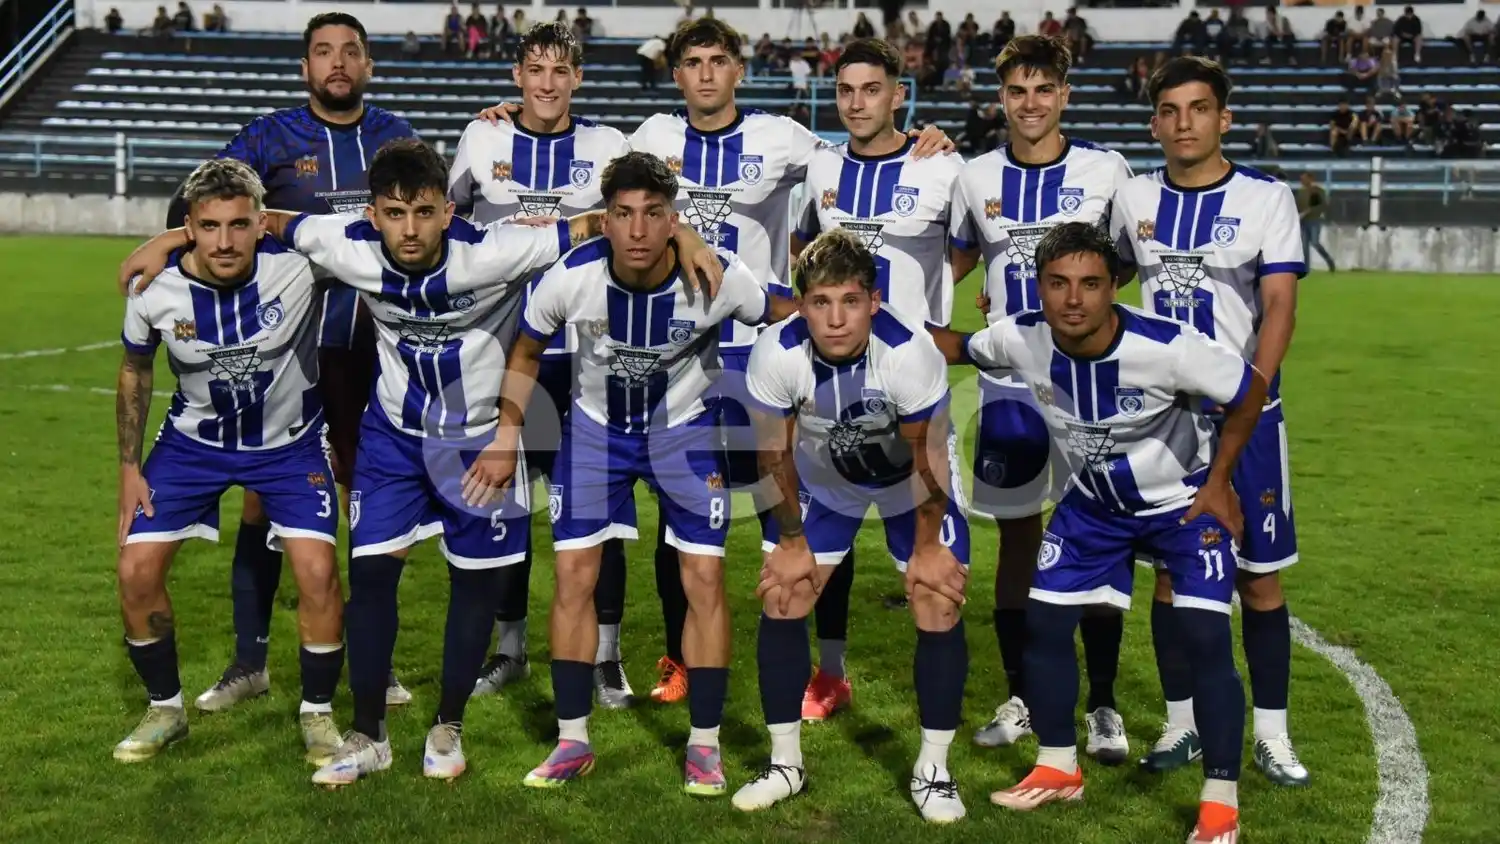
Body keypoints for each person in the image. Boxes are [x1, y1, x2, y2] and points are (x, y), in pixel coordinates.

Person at [123, 140, 722, 787]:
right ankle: (369, 734)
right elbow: (265, 220)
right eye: (395, 212)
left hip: (482, 439)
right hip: (393, 440)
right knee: (371, 578)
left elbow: (605, 225)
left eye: (425, 212)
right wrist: (167, 243)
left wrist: (684, 234)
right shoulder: (345, 243)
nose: (410, 230)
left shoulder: (495, 249)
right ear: (373, 214)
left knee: (474, 584)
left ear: (447, 210)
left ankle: (447, 725)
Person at [473, 18, 953, 707]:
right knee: (682, 525)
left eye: (718, 61)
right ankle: (680, 660)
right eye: (692, 62)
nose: (705, 73)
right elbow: (630, 195)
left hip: (765, 355)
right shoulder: (650, 137)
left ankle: (828, 663)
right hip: (676, 364)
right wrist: (508, 118)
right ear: (677, 74)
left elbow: (859, 148)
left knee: (796, 506)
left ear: (738, 70)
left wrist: (921, 139)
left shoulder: (784, 138)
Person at [465, 151, 797, 793]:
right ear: (605, 220)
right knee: (573, 575)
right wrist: (509, 432)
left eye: (653, 214)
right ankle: (572, 740)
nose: (638, 230)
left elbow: (783, 316)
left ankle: (705, 745)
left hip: (686, 431)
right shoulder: (572, 277)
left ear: (674, 219)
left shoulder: (718, 277)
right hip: (595, 431)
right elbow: (527, 348)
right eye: (623, 214)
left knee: (703, 576)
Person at [931, 221, 1270, 844]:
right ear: (1038, 287)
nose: (1073, 299)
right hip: (1092, 509)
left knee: (1206, 642)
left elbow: (1252, 391)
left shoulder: (1168, 347)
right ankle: (1059, 766)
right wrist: (869, 319)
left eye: (1090, 284)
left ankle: (1221, 801)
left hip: (1182, 507)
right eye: (1057, 283)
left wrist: (1221, 481)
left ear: (1114, 286)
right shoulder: (1022, 336)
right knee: (1045, 625)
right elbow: (957, 346)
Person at [162, 11, 419, 715]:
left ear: (367, 65)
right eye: (323, 52)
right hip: (287, 351)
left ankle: (377, 659)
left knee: (372, 502)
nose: (337, 63)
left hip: (378, 347)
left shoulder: (397, 135)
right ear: (305, 67)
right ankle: (251, 662)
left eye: (350, 52)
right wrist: (166, 248)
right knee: (262, 498)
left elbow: (433, 215)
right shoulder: (268, 138)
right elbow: (192, 203)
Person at [1111, 56, 1310, 790]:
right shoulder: (1133, 196)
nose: (1183, 122)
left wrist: (1251, 395)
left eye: (1198, 108)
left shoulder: (1266, 197)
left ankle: (1273, 735)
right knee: (1171, 578)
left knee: (1259, 581)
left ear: (1222, 118)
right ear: (1155, 121)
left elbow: (1281, 305)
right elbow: (1111, 275)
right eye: (1168, 110)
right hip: (1166, 422)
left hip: (1248, 417)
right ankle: (1181, 722)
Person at [112, 159, 345, 767]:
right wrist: (129, 469)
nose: (224, 241)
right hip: (194, 446)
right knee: (136, 570)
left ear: (260, 224)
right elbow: (135, 370)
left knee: (318, 570)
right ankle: (166, 708)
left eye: (239, 225)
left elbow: (363, 232)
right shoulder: (154, 291)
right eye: (208, 226)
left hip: (289, 445)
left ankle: (318, 715)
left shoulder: (298, 268)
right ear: (190, 226)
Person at [732, 228, 970, 821]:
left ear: (874, 301)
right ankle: (785, 763)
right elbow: (772, 455)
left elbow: (929, 460)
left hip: (909, 480)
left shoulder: (911, 352)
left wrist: (926, 549)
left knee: (936, 595)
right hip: (819, 472)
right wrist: (790, 541)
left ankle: (934, 769)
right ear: (803, 302)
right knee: (784, 594)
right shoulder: (775, 351)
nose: (835, 319)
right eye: (820, 302)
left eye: (850, 301)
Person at [947, 33, 1134, 762]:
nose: (1031, 103)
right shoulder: (974, 176)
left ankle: (1105, 705)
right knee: (1019, 539)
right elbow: (951, 260)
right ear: (1002, 100)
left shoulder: (1105, 170)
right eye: (1017, 91)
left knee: (1098, 530)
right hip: (1009, 388)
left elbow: (1126, 265)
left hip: (1089, 386)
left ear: (1064, 95)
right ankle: (1023, 692)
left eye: (1043, 89)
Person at [447, 21, 636, 705]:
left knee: (597, 509)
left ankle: (607, 656)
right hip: (502, 356)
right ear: (517, 77)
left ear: (578, 78)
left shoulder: (610, 146)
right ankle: (509, 647)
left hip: (590, 357)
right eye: (535, 69)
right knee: (506, 505)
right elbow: (451, 225)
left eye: (561, 71)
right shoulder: (483, 138)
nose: (548, 83)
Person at [789, 37, 964, 722]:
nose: (857, 103)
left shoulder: (945, 170)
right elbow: (802, 251)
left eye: (871, 89)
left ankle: (946, 718)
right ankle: (828, 674)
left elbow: (973, 241)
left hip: (914, 398)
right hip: (832, 397)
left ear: (899, 93)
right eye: (846, 91)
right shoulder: (820, 168)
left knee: (931, 562)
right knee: (819, 553)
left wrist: (931, 319)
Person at [1296, 172, 1336, 272]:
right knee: (1304, 245)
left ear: (1310, 179)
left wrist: (1308, 211)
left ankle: (1329, 261)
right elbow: (1297, 205)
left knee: (1315, 242)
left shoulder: (1317, 191)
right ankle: (1306, 269)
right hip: (1303, 221)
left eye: (1304, 179)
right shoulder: (1301, 192)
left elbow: (1322, 206)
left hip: (1314, 220)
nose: (1302, 181)